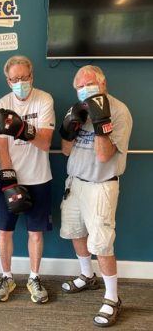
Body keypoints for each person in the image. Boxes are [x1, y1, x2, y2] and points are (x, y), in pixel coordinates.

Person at [59, 65, 132, 327]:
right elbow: (66, 151)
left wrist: (101, 121)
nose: (83, 89)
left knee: (101, 244)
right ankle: (87, 276)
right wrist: (69, 127)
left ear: (103, 84)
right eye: (79, 86)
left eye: (88, 84)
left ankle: (112, 297)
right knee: (76, 232)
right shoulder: (77, 108)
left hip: (101, 185)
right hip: (75, 182)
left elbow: (104, 156)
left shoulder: (119, 111)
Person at [0, 55, 55, 304]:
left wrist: (20, 129)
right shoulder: (1, 104)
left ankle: (34, 277)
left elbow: (45, 143)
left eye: (24, 77)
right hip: (10, 178)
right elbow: (2, 149)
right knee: (4, 232)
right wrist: (9, 183)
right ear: (8, 81)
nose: (20, 82)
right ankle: (7, 276)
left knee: (35, 233)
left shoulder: (44, 99)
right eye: (15, 79)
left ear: (31, 76)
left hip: (39, 177)